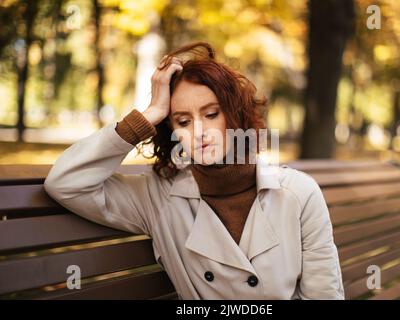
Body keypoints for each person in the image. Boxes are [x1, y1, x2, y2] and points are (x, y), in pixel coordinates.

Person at [44, 41, 344, 300]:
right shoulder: (157, 197)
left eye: (211, 114)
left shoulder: (298, 193)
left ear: (236, 115)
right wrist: (149, 115)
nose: (199, 131)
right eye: (183, 121)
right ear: (172, 131)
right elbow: (66, 182)